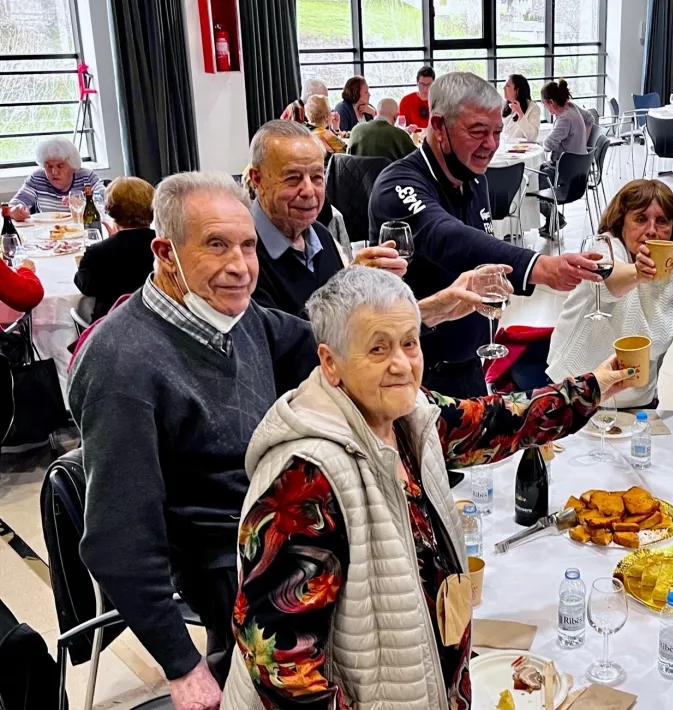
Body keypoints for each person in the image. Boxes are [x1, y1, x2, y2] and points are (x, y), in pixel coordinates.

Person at [68, 170, 506, 710]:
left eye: (248, 245)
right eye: (216, 246)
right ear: (164, 252)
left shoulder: (234, 316)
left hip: (283, 523)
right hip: (226, 568)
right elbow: (117, 540)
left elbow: (339, 343)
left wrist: (432, 308)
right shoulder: (122, 362)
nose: (240, 266)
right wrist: (181, 667)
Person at [221, 267, 636, 710]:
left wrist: (593, 387)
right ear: (330, 362)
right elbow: (278, 660)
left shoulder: (407, 415)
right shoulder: (304, 478)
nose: (401, 364)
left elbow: (494, 421)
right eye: (377, 348)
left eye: (409, 342)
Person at [369, 71, 603, 398]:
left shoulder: (474, 178)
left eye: (496, 131)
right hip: (413, 377)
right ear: (438, 126)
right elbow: (446, 236)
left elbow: (483, 253)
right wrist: (540, 266)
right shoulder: (397, 184)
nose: (491, 145)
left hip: (472, 368)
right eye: (478, 131)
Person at [547, 179, 673, 408]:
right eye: (641, 219)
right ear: (621, 222)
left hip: (639, 396)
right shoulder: (604, 249)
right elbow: (610, 278)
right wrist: (639, 273)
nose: (652, 230)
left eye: (662, 221)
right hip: (576, 389)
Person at [248, 120, 355, 318]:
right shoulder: (243, 253)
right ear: (258, 180)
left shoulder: (321, 235)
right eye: (292, 178)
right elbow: (275, 340)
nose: (308, 191)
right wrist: (352, 287)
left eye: (317, 177)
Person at [74, 176, 157, 320]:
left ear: (110, 210)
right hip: (159, 323)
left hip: (112, 324)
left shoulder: (98, 252)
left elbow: (86, 287)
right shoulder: (166, 246)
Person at [537, 79, 595, 233]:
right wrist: (582, 142)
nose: (545, 108)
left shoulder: (564, 119)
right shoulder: (572, 107)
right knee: (539, 172)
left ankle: (555, 218)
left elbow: (548, 144)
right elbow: (590, 118)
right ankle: (554, 219)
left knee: (532, 180)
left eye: (544, 104)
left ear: (551, 102)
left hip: (565, 172)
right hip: (579, 169)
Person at [9, 137, 103, 220]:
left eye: (60, 166)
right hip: (47, 234)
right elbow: (12, 206)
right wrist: (14, 211)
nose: (54, 172)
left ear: (72, 166)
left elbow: (109, 204)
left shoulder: (87, 177)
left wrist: (84, 205)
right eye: (49, 166)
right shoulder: (37, 179)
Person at [347, 97, 416, 162]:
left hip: (357, 174)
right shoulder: (399, 135)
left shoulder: (356, 130)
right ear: (396, 116)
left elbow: (348, 158)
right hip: (388, 174)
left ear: (377, 113)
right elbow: (417, 160)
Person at [501, 73, 541, 142]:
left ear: (517, 90)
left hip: (523, 150)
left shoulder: (533, 108)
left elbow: (532, 137)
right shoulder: (503, 105)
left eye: (507, 86)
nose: (503, 88)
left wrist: (520, 114)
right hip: (505, 148)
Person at [399, 65, 435, 130]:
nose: (425, 88)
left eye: (429, 85)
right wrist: (408, 129)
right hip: (412, 138)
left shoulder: (439, 101)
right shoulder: (406, 101)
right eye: (422, 84)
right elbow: (401, 127)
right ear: (417, 84)